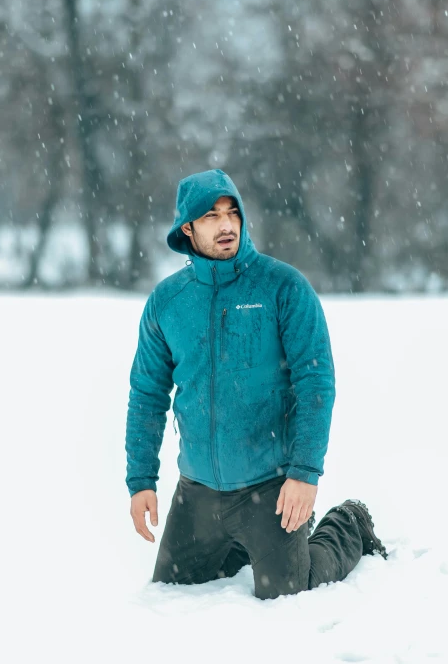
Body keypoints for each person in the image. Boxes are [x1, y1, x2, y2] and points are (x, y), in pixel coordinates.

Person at [125, 169, 387, 600]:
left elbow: (315, 382)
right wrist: (141, 481)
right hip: (198, 492)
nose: (226, 225)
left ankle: (348, 523)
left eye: (232, 213)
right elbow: (147, 396)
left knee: (290, 591)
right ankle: (242, 547)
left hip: (272, 484)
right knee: (171, 594)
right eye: (211, 216)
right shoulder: (167, 303)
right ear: (187, 228)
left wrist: (304, 473)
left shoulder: (282, 287)